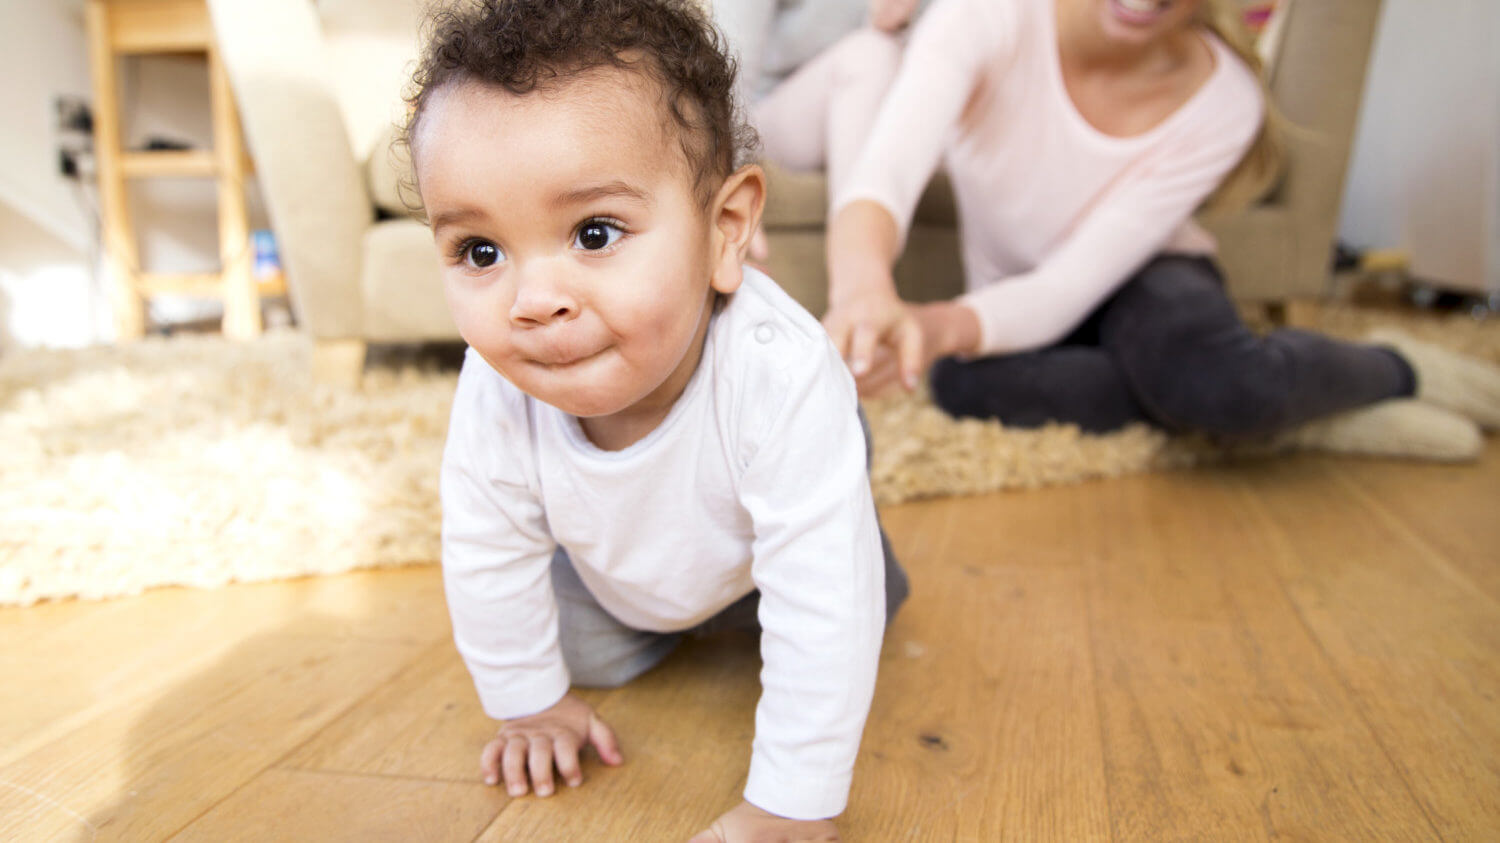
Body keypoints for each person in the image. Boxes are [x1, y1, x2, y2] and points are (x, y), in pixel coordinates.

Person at [403, 0, 908, 839]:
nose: (534, 302)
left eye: (594, 233)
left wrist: (791, 804)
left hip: (764, 535)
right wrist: (530, 706)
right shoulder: (495, 387)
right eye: (480, 253)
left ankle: (838, 508)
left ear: (726, 230)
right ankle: (689, 606)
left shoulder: (777, 369)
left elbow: (824, 609)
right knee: (565, 652)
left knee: (848, 603)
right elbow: (487, 547)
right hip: (632, 567)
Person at [819, 0, 1500, 453]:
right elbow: (882, 179)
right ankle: (1289, 416)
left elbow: (1072, 283)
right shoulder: (986, 14)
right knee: (963, 384)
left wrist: (937, 325)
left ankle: (1394, 369)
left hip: (1149, 276)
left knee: (1219, 382)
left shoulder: (1225, 97)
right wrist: (864, 291)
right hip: (1015, 291)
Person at [712, 0, 926, 259]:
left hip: (883, 106)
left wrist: (901, 22)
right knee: (870, 54)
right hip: (769, 114)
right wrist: (730, 179)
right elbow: (728, 68)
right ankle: (857, 269)